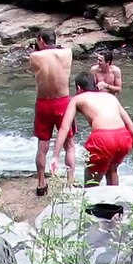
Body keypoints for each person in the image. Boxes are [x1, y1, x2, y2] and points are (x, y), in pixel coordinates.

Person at [53, 72, 133, 187]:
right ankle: (114, 203)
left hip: (103, 138)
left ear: (78, 88)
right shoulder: (110, 97)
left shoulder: (77, 99)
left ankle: (91, 203)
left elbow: (64, 128)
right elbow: (131, 127)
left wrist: (55, 156)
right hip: (123, 137)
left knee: (91, 183)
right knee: (112, 170)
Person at [30, 28, 75, 196]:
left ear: (41, 40)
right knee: (69, 144)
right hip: (63, 102)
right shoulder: (68, 53)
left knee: (42, 146)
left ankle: (41, 183)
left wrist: (37, 49)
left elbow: (34, 71)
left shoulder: (35, 57)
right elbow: (61, 50)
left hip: (43, 103)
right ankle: (69, 183)